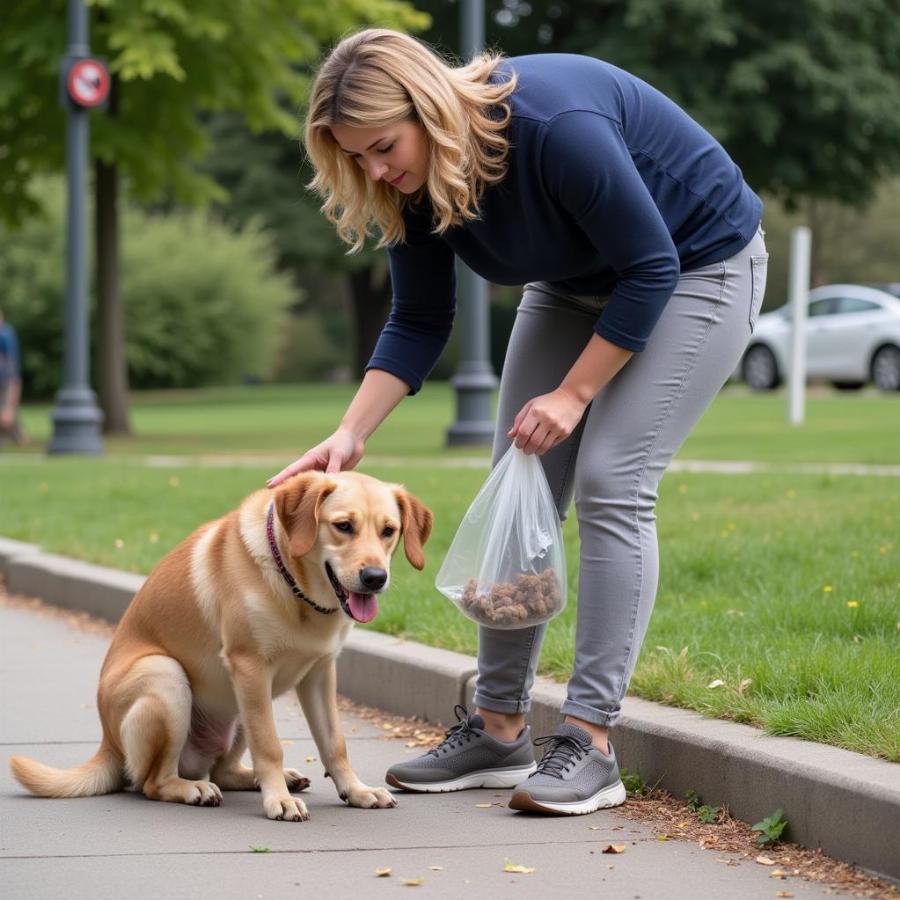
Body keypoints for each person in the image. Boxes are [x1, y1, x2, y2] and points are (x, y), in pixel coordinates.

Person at [268, 28, 768, 815]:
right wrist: (350, 433)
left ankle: (591, 741)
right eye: (355, 157)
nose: (374, 169)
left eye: (382, 146)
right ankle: (499, 727)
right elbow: (420, 317)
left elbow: (651, 266)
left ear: (427, 110)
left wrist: (573, 395)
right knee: (521, 478)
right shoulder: (409, 182)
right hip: (574, 282)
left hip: (697, 264)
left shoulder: (551, 127)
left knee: (612, 481)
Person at [0, 308, 26, 446]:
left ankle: (20, 438)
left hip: (5, 381)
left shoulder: (5, 335)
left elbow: (11, 362)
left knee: (7, 414)